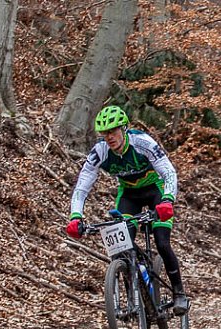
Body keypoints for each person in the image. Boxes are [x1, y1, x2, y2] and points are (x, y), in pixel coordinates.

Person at [65, 105, 189, 315]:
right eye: (105, 133)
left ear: (123, 129)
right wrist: (76, 216)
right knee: (121, 248)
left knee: (162, 241)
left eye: (113, 131)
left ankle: (179, 293)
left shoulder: (143, 142)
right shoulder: (100, 151)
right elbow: (82, 186)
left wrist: (168, 200)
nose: (109, 137)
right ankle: (134, 292)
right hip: (129, 196)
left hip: (156, 191)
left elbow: (168, 172)